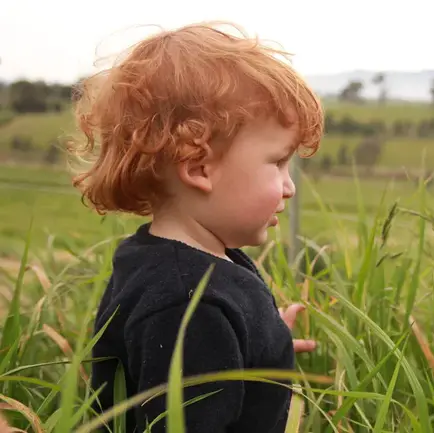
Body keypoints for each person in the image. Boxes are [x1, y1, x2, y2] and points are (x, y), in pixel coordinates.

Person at [68, 21, 323, 432]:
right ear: (199, 168)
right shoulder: (189, 306)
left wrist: (257, 343)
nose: (290, 186)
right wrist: (213, 337)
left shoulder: (172, 267)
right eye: (277, 162)